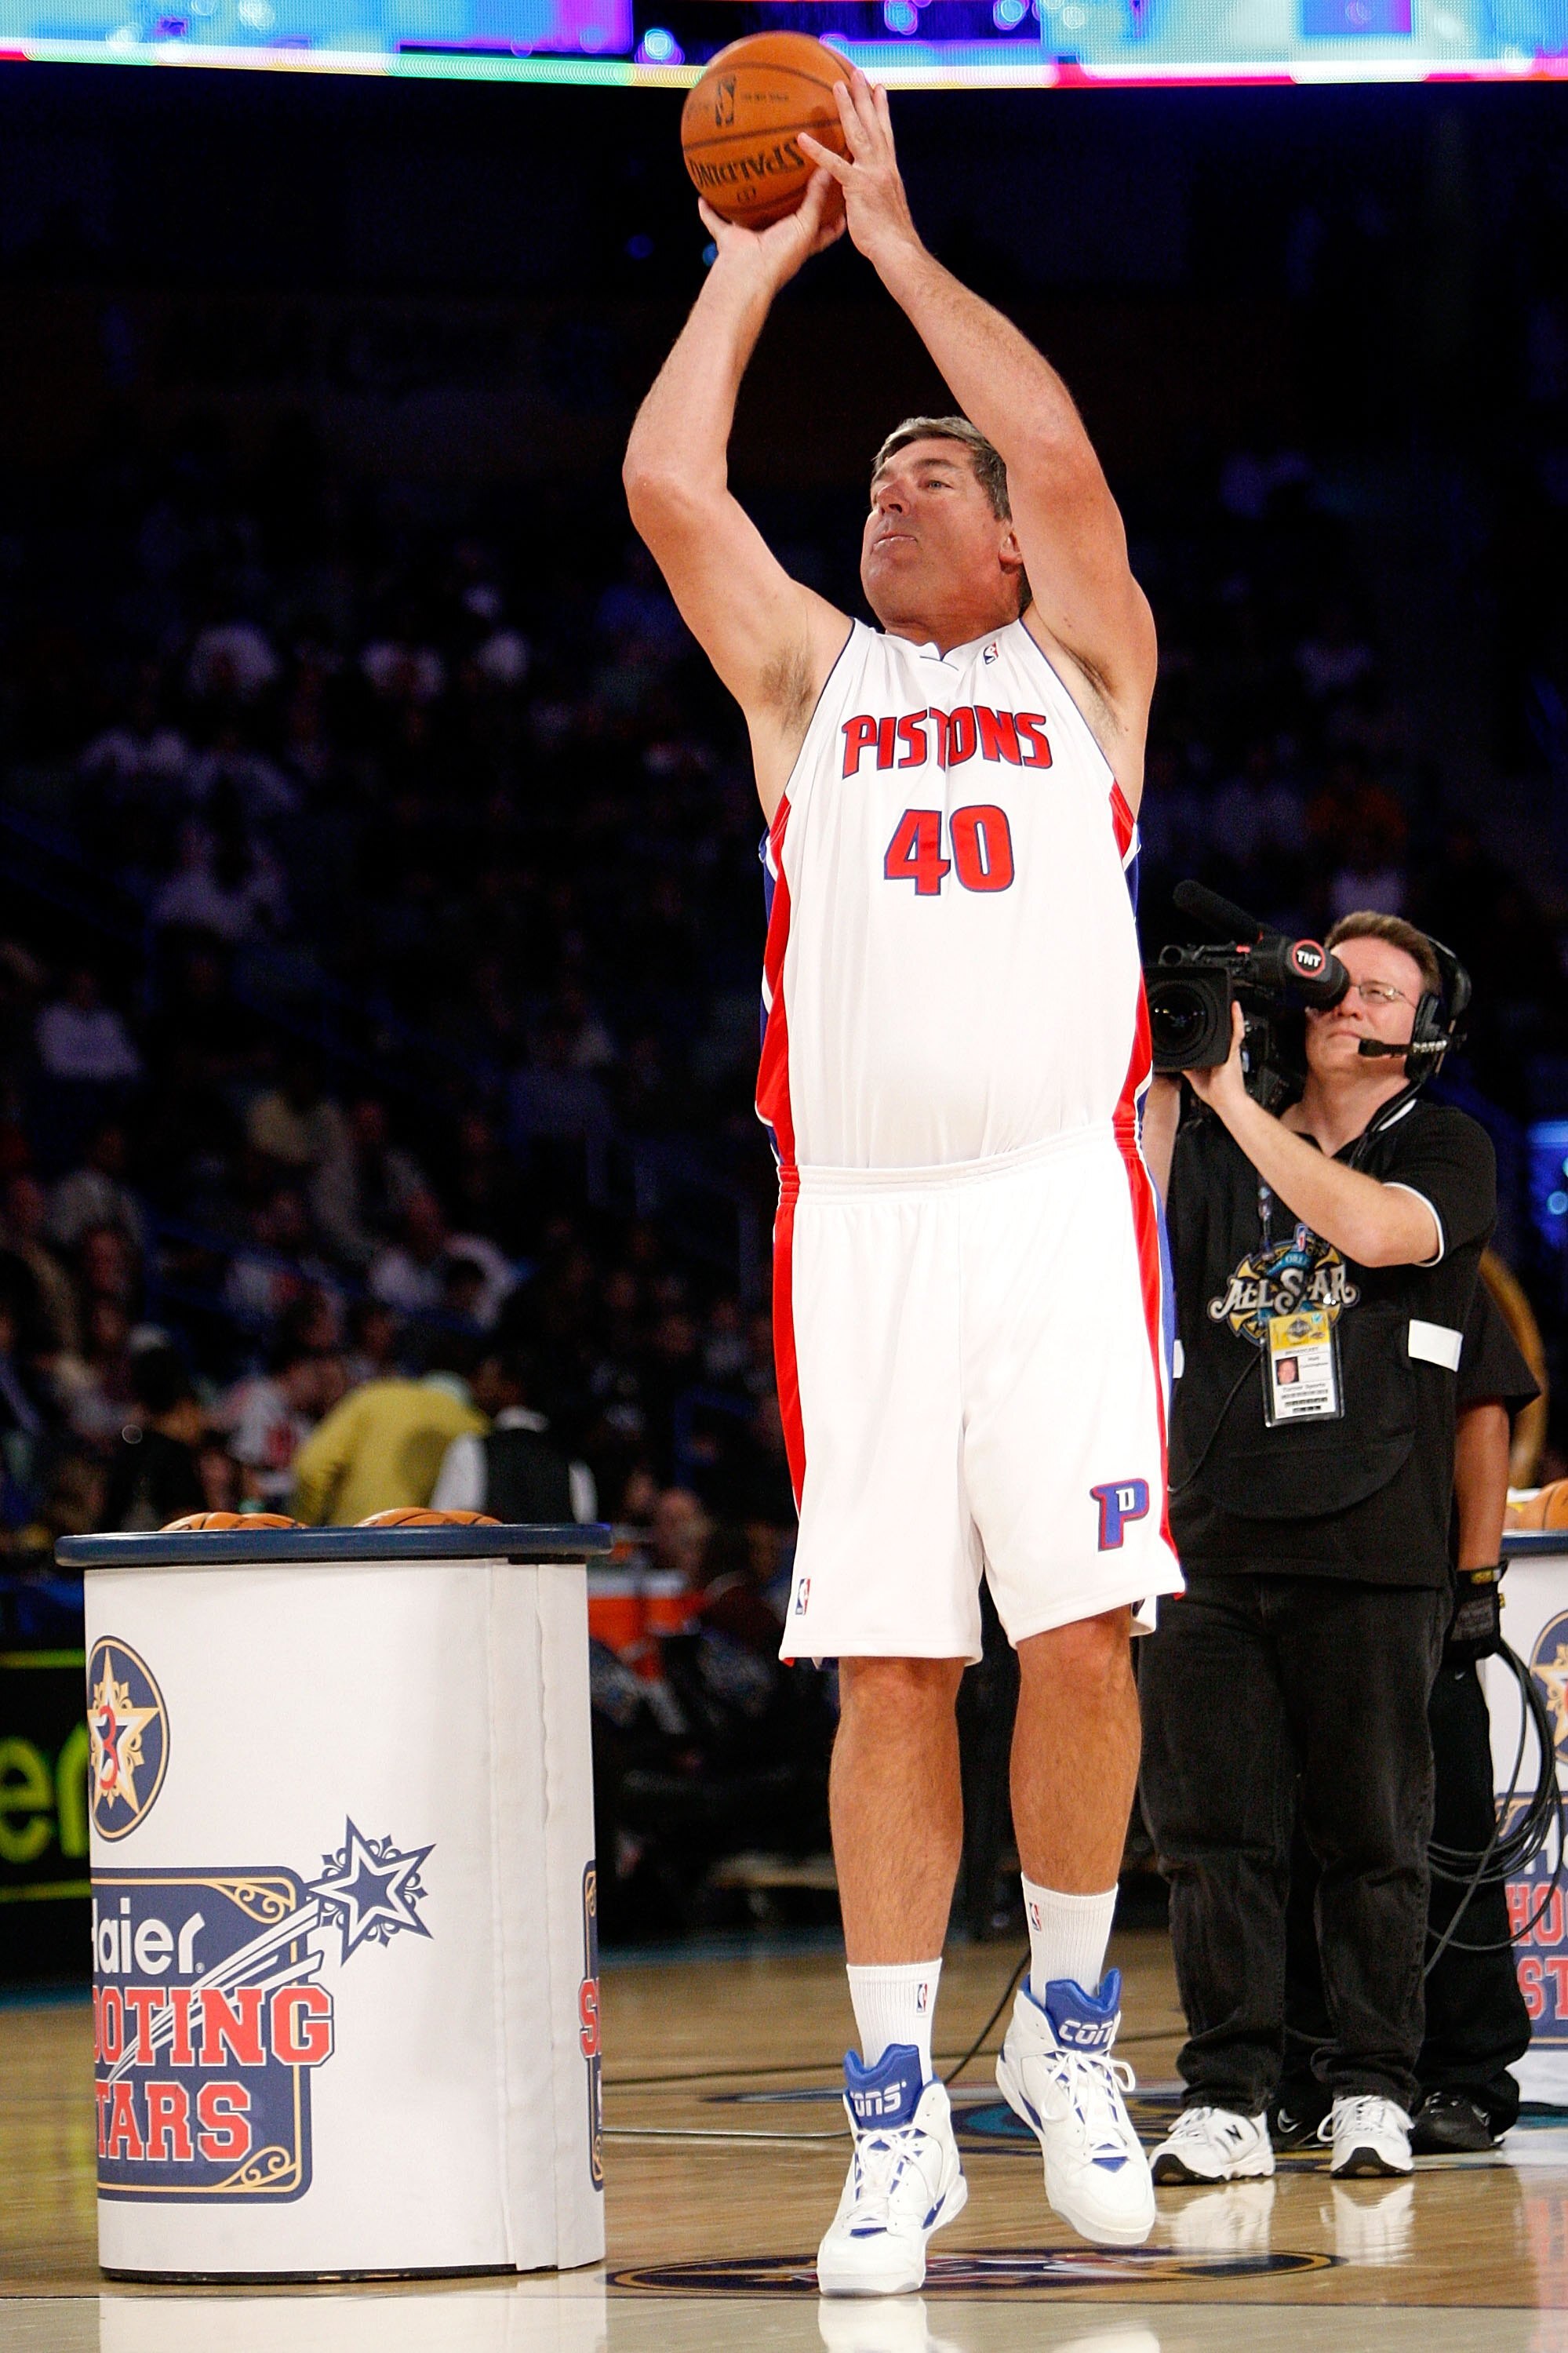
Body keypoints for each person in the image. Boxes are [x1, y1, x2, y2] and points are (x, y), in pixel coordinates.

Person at [625, 67, 1181, 2290]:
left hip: (1053, 1206)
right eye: (875, 469)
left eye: (929, 467)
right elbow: (671, 481)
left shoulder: (1085, 668)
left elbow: (1052, 452)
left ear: (1019, 546)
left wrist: (894, 245)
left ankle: (1064, 2029)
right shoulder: (807, 679)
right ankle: (889, 2121)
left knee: (1074, 1638)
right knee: (882, 1670)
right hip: (852, 1223)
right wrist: (755, 261)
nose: (902, 476)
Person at [1140, 911, 1496, 2184]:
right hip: (1212, 1532)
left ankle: (1369, 2090)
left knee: (1367, 1838)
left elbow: (1374, 1234)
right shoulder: (1222, 1121)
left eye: (1384, 994)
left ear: (1426, 1032)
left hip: (1370, 1541)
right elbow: (1127, 1191)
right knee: (1211, 1838)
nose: (1351, 1004)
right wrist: (1181, 1060)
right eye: (1339, 984)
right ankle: (1226, 2093)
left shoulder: (1448, 1147)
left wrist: (1239, 1107)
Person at [1272, 1269, 1538, 2155]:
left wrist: (1473, 1579)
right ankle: (1309, 2067)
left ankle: (1466, 2075)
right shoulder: (1249, 1273)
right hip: (1287, 1594)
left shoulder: (1434, 1252)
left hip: (1413, 1594)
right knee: (1302, 1842)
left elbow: (1484, 1412)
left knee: (1446, 1833)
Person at [290, 1344, 488, 1526]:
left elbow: (311, 1468)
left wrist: (303, 1529)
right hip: (428, 1555)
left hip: (350, 1545)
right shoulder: (479, 1426)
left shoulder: (373, 1396)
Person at [431, 1347, 596, 1524]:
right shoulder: (572, 1462)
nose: (476, 1386)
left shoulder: (470, 1450)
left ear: (512, 1388)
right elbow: (584, 1536)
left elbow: (444, 1530)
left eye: (486, 1378)